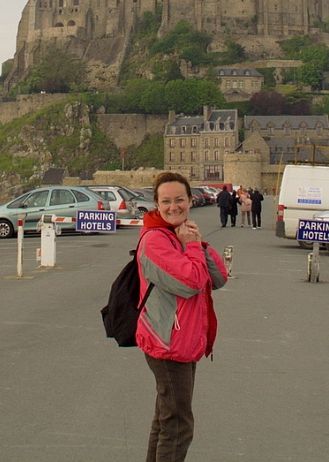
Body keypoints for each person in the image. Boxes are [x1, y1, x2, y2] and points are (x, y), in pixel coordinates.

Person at [137, 171, 228, 461]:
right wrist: (190, 246)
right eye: (166, 201)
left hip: (183, 342)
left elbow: (219, 278)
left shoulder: (179, 235)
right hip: (168, 344)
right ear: (156, 204)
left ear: (190, 201)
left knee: (166, 419)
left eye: (179, 200)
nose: (173, 206)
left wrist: (198, 242)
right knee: (178, 425)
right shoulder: (155, 241)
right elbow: (191, 283)